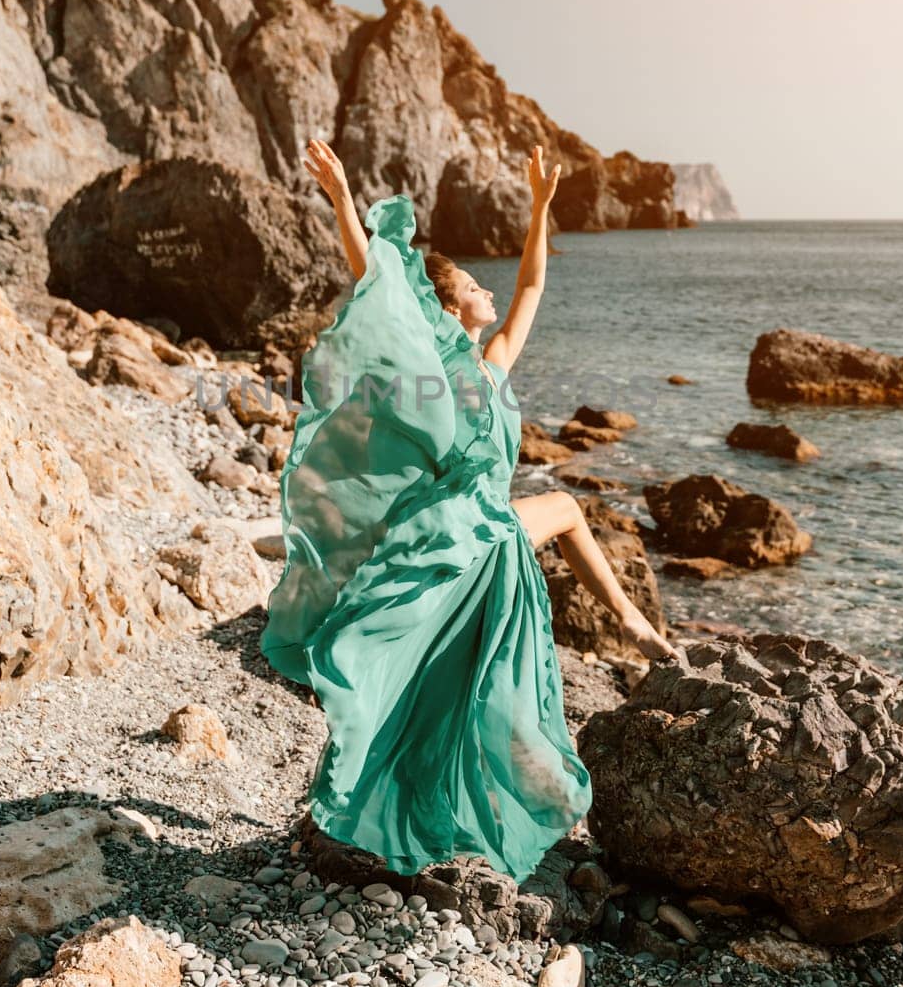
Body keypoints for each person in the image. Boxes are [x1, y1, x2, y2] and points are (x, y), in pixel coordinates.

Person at [259, 137, 675, 885]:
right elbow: (376, 276)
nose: (490, 292)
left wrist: (541, 208)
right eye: (473, 287)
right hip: (464, 536)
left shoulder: (490, 363)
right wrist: (343, 201)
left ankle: (397, 819)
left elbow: (531, 290)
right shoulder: (433, 362)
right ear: (450, 304)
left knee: (448, 690)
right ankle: (633, 627)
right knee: (464, 676)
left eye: (488, 287)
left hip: (477, 536)